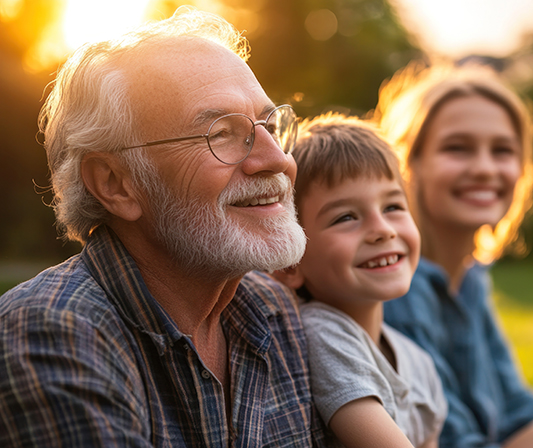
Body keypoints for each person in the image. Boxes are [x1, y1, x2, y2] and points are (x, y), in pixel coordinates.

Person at [0, 8, 332, 447]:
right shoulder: (50, 332)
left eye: (270, 125)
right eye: (221, 133)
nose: (277, 160)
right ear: (117, 184)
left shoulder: (273, 307)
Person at [375, 61, 533, 448]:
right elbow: (445, 438)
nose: (485, 168)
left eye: (502, 150)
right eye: (457, 148)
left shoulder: (470, 279)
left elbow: (519, 413)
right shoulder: (395, 287)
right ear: (408, 163)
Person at [275, 113, 448, 448]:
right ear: (290, 264)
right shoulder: (323, 334)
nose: (383, 229)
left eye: (393, 206)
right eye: (346, 217)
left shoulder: (418, 361)